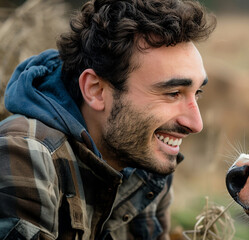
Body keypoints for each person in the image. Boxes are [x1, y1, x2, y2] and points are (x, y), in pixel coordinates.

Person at [0, 0, 216, 239]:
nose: (196, 124)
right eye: (173, 93)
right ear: (95, 90)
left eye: (196, 93)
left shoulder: (146, 161)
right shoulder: (25, 153)